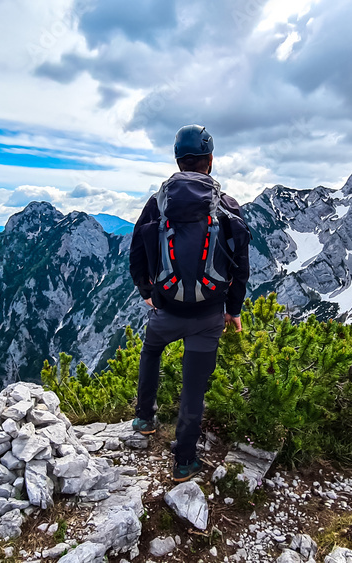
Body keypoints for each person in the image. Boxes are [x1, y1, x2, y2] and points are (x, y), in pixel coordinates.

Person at [128, 124, 250, 482]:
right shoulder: (227, 205)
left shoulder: (157, 204)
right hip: (209, 315)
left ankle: (145, 418)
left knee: (151, 352)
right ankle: (184, 462)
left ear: (178, 160)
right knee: (193, 387)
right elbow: (240, 266)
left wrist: (146, 291)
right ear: (210, 161)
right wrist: (234, 309)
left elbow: (136, 252)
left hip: (165, 309)